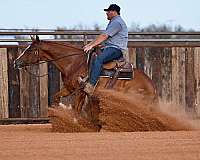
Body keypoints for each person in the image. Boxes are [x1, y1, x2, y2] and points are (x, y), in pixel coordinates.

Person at [83, 4, 128, 95]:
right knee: (93, 56)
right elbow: (103, 37)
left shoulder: (117, 22)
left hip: (116, 49)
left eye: (108, 11)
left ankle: (91, 85)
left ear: (114, 12)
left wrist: (90, 46)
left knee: (99, 59)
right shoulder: (114, 22)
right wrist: (90, 45)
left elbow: (104, 36)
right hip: (111, 47)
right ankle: (89, 77)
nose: (106, 13)